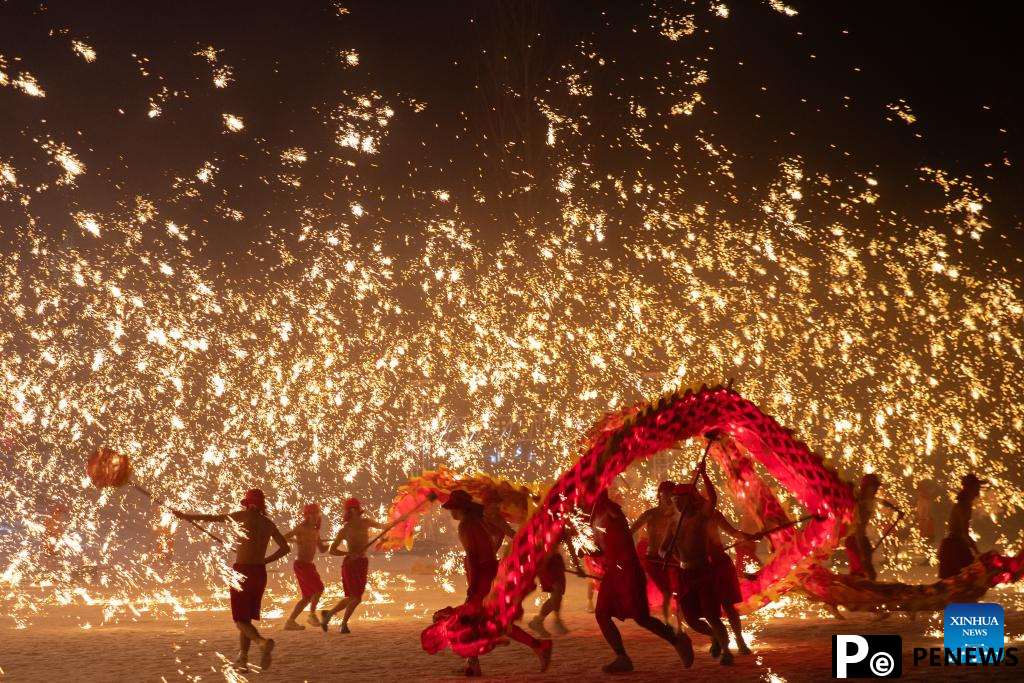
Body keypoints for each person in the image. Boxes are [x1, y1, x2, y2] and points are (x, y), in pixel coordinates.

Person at [173, 488, 289, 673]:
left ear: (249, 504)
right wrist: (264, 560)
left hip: (242, 572)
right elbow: (285, 548)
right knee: (246, 618)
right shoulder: (268, 524)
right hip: (260, 573)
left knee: (239, 620)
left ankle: (261, 642)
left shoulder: (242, 516)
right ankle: (242, 659)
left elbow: (213, 518)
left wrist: (186, 516)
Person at [443, 489, 552, 677]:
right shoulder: (479, 522)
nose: (450, 512)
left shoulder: (466, 526)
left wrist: (473, 585)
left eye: (452, 508)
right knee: (484, 620)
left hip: (483, 575)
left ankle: (538, 645)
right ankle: (473, 663)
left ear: (459, 509)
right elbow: (497, 538)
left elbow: (472, 556)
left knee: (471, 620)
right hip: (490, 571)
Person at [589, 489, 694, 674]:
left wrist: (605, 503)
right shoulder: (593, 517)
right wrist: (594, 552)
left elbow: (619, 523)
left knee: (641, 618)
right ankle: (622, 657)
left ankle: (678, 641)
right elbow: (604, 545)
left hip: (628, 570)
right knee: (601, 613)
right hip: (613, 572)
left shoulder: (610, 508)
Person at [662, 471, 734, 666]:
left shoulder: (701, 517)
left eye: (680, 499)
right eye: (674, 499)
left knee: (711, 615)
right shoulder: (673, 523)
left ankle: (727, 651)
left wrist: (703, 474)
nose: (676, 503)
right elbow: (663, 548)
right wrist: (668, 555)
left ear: (689, 499)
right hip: (685, 573)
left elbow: (714, 498)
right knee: (691, 619)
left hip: (703, 572)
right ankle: (715, 637)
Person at [698, 466, 756, 656]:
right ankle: (718, 639)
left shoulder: (714, 515)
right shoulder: (686, 519)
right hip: (701, 566)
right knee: (708, 609)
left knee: (728, 605)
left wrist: (746, 536)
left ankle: (739, 639)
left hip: (719, 564)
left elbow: (732, 532)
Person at [321, 498, 380, 633]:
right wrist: (348, 553)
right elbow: (332, 550)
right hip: (350, 564)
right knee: (356, 597)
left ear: (358, 510)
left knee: (352, 598)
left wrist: (397, 522)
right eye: (351, 509)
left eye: (355, 508)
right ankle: (343, 624)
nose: (354, 511)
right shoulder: (345, 530)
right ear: (348, 512)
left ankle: (329, 614)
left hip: (362, 563)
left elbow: (384, 526)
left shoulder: (366, 522)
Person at [630, 480, 679, 622]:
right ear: (660, 495)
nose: (669, 497)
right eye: (666, 493)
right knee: (667, 592)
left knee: (678, 591)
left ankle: (679, 625)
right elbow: (631, 531)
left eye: (672, 494)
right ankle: (668, 624)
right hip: (652, 559)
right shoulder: (650, 514)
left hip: (671, 559)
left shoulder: (677, 516)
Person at [283, 503, 328, 630]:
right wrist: (296, 541)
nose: (314, 516)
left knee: (307, 597)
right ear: (306, 515)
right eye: (311, 513)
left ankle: (290, 622)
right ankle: (312, 615)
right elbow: (284, 537)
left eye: (316, 513)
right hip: (301, 565)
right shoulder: (301, 528)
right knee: (319, 589)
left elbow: (322, 549)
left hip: (309, 565)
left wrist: (335, 543)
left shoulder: (315, 531)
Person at [528, 528, 581, 637]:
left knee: (557, 596)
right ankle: (556, 620)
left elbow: (570, 546)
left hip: (555, 561)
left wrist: (578, 568)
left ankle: (538, 621)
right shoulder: (541, 524)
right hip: (544, 562)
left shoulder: (562, 527)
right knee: (556, 591)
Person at [938, 474, 987, 579]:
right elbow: (964, 533)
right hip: (955, 548)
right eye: (977, 488)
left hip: (952, 546)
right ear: (971, 489)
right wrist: (977, 552)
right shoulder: (964, 506)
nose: (978, 492)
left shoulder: (962, 504)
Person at [915, 480, 936, 546]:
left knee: (926, 535)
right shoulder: (921, 499)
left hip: (925, 521)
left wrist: (925, 517)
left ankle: (927, 543)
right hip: (923, 520)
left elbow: (927, 510)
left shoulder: (924, 499)